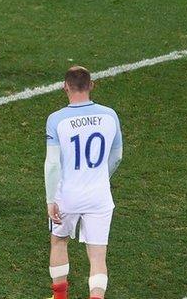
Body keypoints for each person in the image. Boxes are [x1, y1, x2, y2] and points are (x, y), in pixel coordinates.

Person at [44, 66, 123, 299]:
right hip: (99, 196)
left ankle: (60, 298)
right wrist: (100, 178)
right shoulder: (110, 115)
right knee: (98, 256)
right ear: (91, 85)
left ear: (65, 87)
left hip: (67, 195)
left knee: (59, 242)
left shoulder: (56, 120)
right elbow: (117, 157)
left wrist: (50, 200)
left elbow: (53, 164)